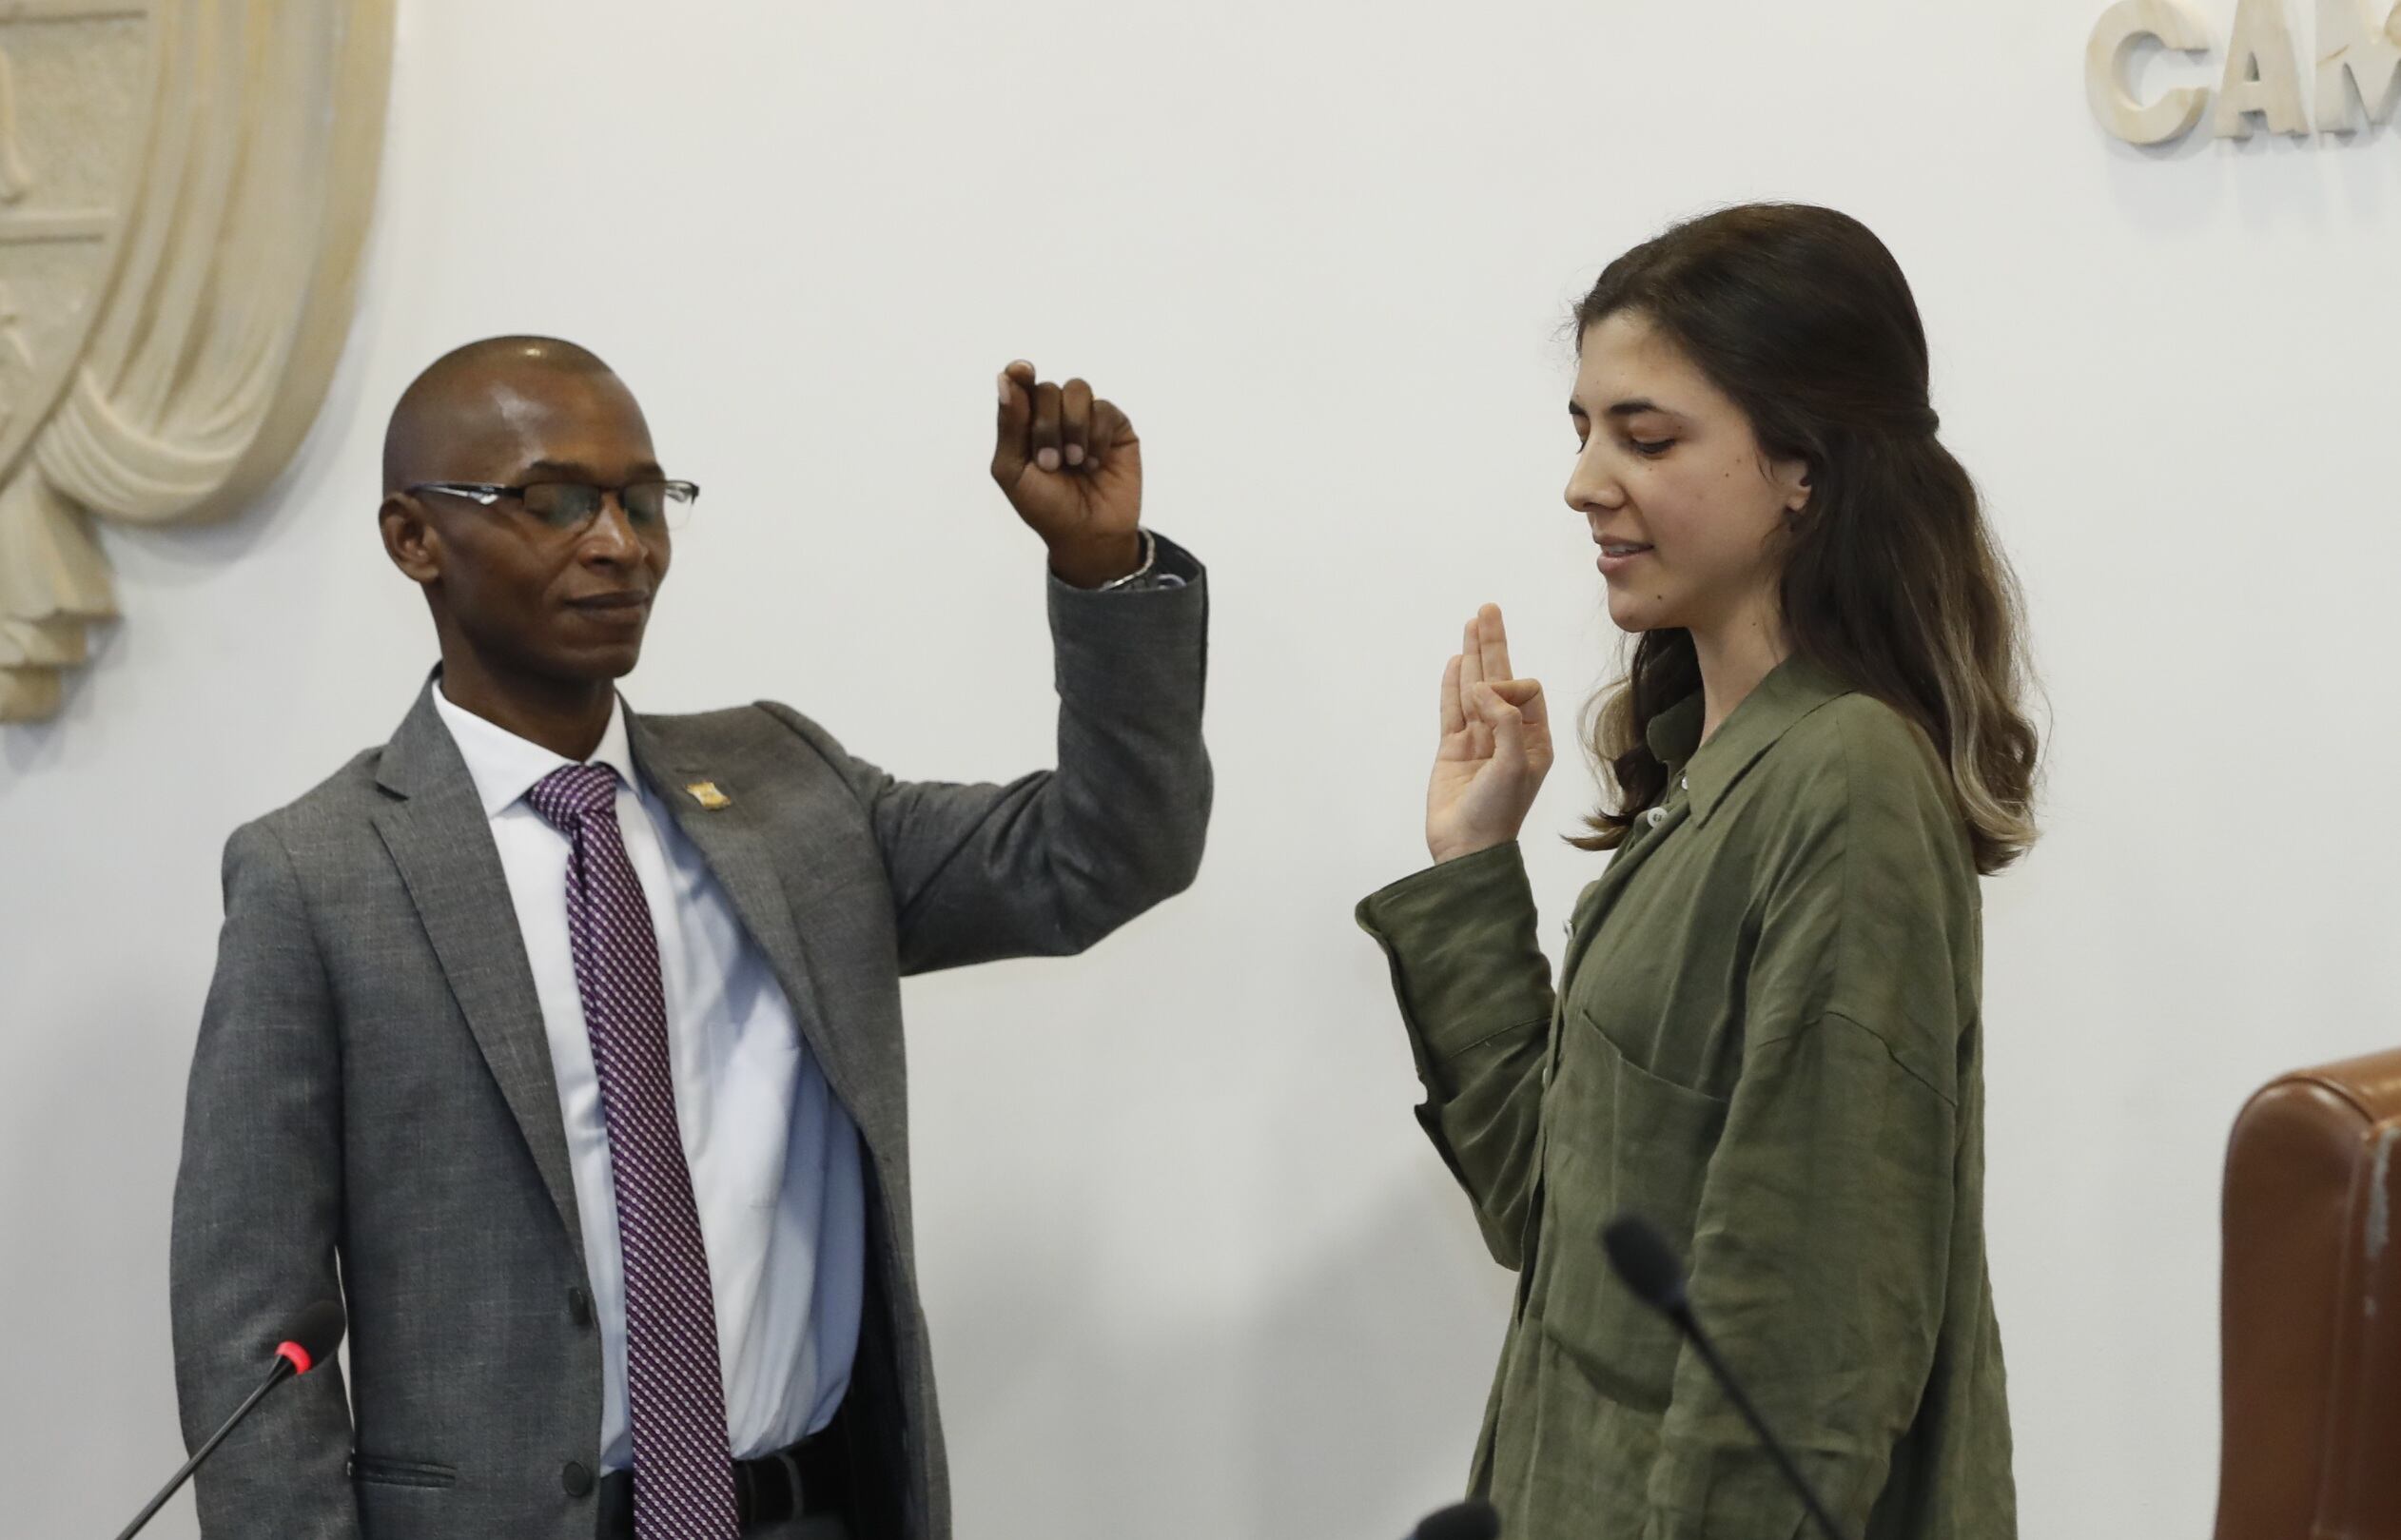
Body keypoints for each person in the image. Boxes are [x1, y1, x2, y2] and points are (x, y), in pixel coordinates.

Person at [169, 337, 1212, 1540]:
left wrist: (1101, 572)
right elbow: (251, 1322)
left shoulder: (789, 790)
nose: (619, 541)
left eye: (643, 497)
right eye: (553, 500)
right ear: (415, 537)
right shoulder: (318, 874)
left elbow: (1104, 855)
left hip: (809, 1509)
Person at [1356, 205, 2038, 1540]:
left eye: (1648, 436)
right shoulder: (1709, 771)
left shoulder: (1843, 784)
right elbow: (1549, 1213)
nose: (1584, 481)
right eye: (1583, 429)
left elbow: (1809, 1352)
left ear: (1806, 469)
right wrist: (1474, 865)